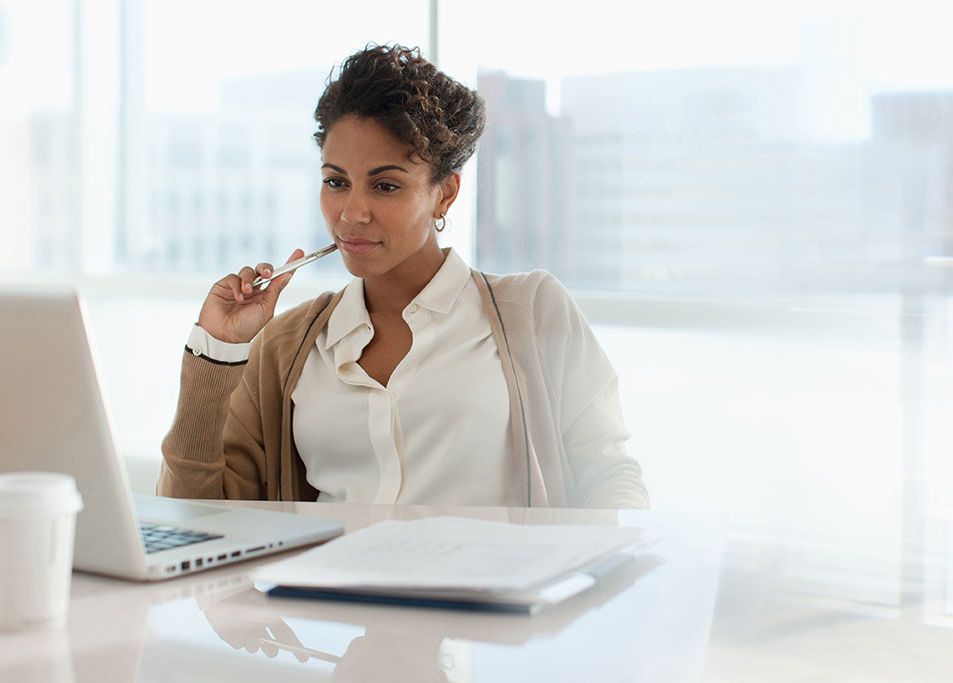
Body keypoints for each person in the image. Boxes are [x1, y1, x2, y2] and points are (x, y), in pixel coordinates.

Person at [157, 44, 649, 509]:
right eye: (335, 182)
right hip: (324, 599)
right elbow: (197, 521)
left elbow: (609, 478)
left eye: (385, 185)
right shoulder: (286, 347)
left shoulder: (533, 311)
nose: (351, 214)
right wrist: (217, 348)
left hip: (487, 596)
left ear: (444, 194)